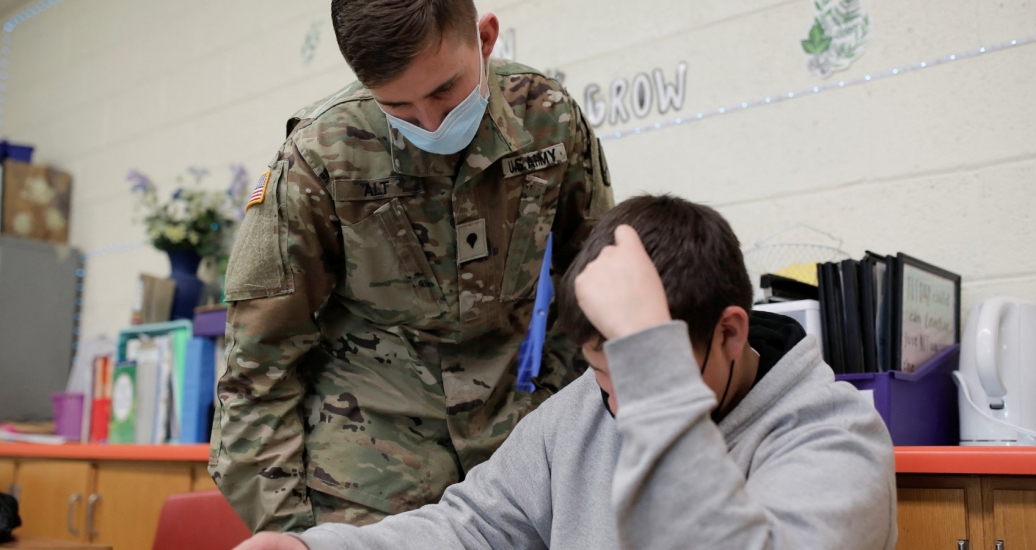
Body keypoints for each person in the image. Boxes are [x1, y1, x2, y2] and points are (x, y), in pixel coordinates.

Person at [232, 195, 898, 550]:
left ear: (730, 332)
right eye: (603, 377)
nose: (615, 407)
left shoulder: (836, 443)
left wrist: (651, 371)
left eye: (634, 377)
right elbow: (474, 530)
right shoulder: (582, 409)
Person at [209, 0, 613, 532]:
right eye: (398, 105)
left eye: (445, 90)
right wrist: (297, 535)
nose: (430, 121)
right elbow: (256, 372)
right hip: (368, 473)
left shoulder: (547, 118)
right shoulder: (321, 157)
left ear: (486, 39)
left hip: (519, 450)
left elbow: (600, 288)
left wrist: (580, 430)